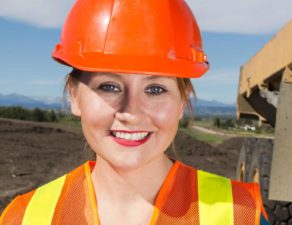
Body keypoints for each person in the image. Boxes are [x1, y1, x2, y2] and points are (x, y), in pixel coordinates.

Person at [0, 0, 270, 224]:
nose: (132, 112)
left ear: (182, 101)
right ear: (74, 95)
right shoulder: (26, 218)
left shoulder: (240, 215)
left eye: (155, 89)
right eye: (109, 86)